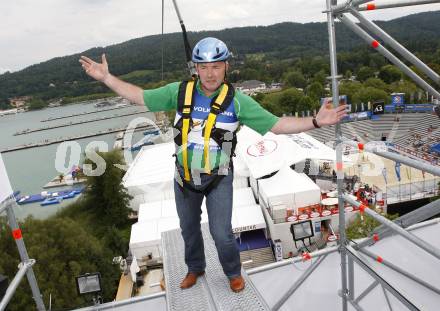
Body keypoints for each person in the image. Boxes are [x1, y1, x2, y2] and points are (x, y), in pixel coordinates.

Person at [79, 37, 347, 293]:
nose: (210, 74)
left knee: (222, 233)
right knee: (189, 229)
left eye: (216, 66)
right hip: (184, 177)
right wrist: (107, 78)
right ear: (195, 68)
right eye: (204, 67)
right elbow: (140, 96)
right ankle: (195, 268)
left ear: (226, 67)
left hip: (219, 177)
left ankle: (233, 273)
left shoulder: (238, 101)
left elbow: (277, 125)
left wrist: (315, 121)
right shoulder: (179, 92)